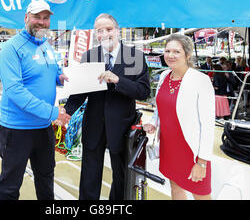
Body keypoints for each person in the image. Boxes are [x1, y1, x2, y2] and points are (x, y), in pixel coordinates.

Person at [63, 13, 150, 200]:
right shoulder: (90, 55)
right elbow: (81, 90)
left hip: (122, 125)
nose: (104, 34)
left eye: (108, 29)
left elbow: (143, 91)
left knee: (121, 176)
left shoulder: (134, 56)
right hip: (93, 124)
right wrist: (66, 111)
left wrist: (118, 80)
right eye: (99, 31)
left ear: (118, 31)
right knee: (89, 175)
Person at [0, 0, 71, 200]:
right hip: (16, 129)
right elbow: (15, 91)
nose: (42, 22)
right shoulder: (11, 48)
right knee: (10, 185)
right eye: (37, 17)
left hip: (43, 128)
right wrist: (54, 113)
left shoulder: (47, 46)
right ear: (26, 18)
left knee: (46, 178)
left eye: (46, 18)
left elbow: (52, 73)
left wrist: (60, 78)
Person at [143, 34, 215, 200]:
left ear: (187, 55)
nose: (170, 55)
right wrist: (154, 123)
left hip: (191, 150)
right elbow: (161, 107)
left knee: (201, 194)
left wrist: (202, 162)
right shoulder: (164, 76)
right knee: (175, 188)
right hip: (169, 147)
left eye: (176, 51)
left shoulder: (201, 80)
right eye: (167, 51)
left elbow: (208, 125)